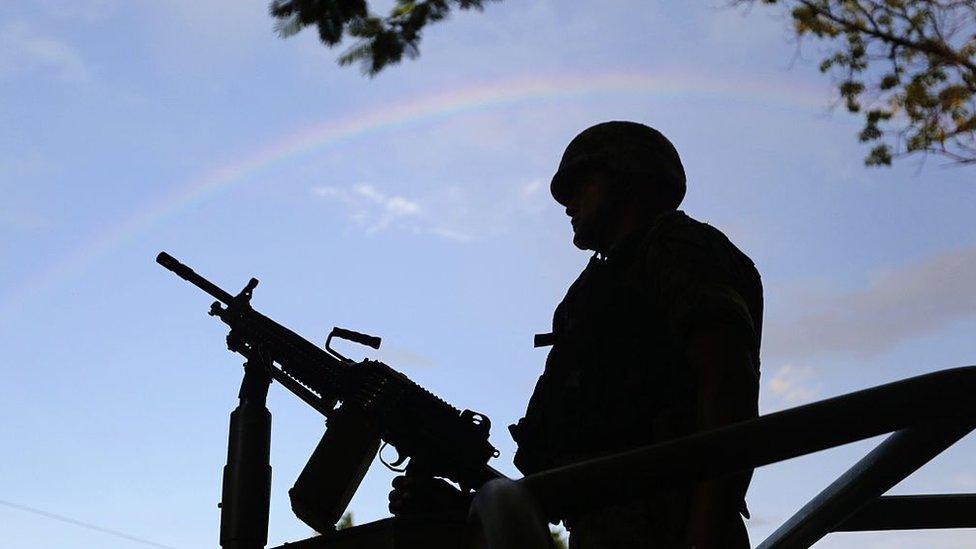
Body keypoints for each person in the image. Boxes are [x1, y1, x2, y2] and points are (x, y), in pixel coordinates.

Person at [389, 121, 762, 548]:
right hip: (601, 523)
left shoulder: (677, 247)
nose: (567, 202)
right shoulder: (597, 286)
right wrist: (472, 508)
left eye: (581, 183)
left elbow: (727, 384)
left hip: (667, 520)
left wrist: (705, 533)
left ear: (629, 179)